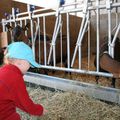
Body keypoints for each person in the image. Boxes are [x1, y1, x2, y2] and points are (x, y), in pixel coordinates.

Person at [0, 42, 46, 120]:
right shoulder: (14, 78)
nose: (30, 67)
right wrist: (40, 110)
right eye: (29, 63)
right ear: (20, 61)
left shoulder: (3, 71)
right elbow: (25, 103)